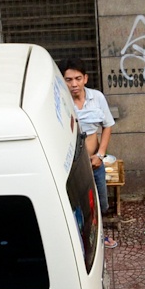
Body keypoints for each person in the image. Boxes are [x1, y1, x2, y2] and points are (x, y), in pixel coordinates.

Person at [61, 60, 115, 243]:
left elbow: (108, 126)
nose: (74, 84)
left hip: (95, 163)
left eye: (77, 78)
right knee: (78, 205)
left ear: (85, 78)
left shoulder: (97, 98)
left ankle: (100, 236)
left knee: (101, 203)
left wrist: (100, 155)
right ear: (62, 80)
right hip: (72, 167)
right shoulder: (60, 101)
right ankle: (84, 243)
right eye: (68, 79)